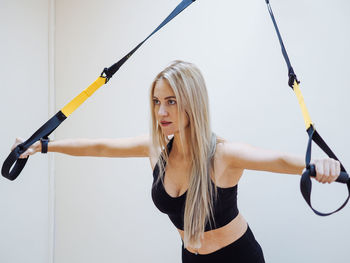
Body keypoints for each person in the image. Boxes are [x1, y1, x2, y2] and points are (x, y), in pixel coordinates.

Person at [13, 60, 341, 262]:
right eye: (156, 102)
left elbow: (279, 159)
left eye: (171, 101)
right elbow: (100, 147)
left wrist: (323, 165)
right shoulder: (157, 149)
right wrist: (44, 146)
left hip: (237, 257)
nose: (161, 112)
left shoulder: (223, 155)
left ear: (191, 102)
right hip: (190, 258)